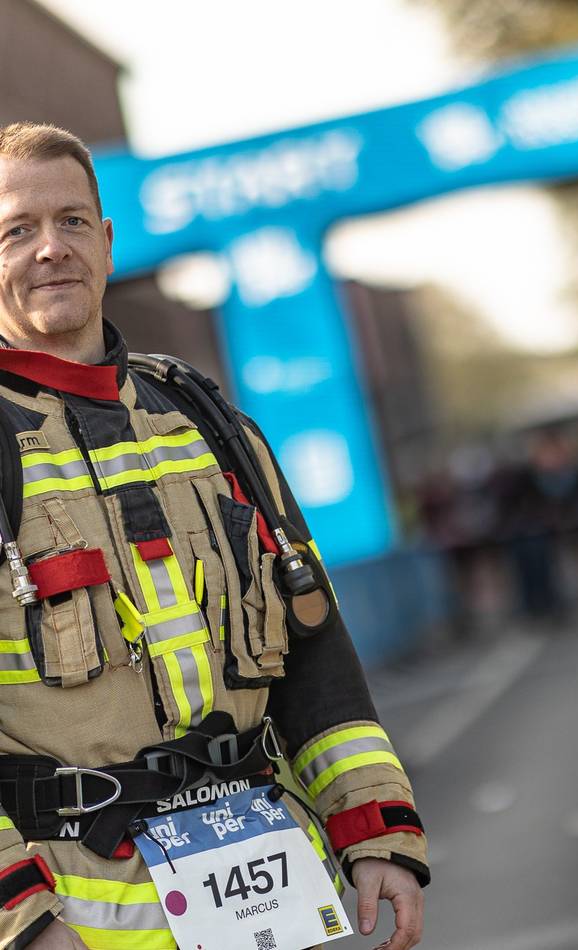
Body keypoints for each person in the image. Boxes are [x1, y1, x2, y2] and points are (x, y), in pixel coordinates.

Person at [0, 122, 427, 949]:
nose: (51, 248)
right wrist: (21, 920)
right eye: (17, 229)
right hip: (82, 923)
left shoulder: (208, 420)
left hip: (270, 900)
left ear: (109, 239)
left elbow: (314, 649)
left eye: (73, 221)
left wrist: (374, 828)